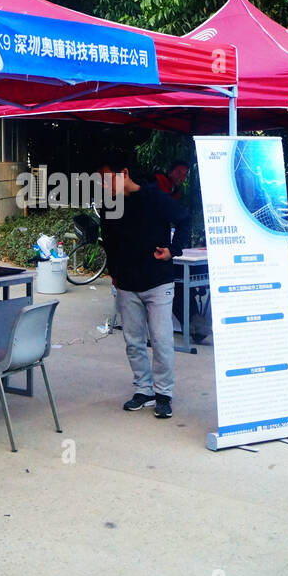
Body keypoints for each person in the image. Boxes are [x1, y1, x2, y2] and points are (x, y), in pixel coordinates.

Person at [97, 150, 190, 419]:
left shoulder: (154, 197)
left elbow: (184, 218)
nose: (105, 186)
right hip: (126, 283)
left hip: (158, 281)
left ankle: (164, 394)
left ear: (123, 173)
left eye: (107, 179)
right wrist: (114, 272)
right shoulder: (108, 205)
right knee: (133, 342)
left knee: (161, 340)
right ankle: (143, 389)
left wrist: (174, 249)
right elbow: (109, 240)